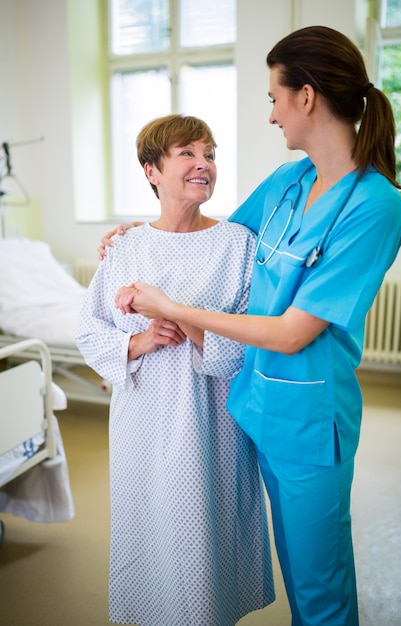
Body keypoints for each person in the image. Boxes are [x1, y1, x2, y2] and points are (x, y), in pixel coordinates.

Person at [111, 26, 401, 626]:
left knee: (318, 588)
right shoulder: (289, 183)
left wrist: (171, 309)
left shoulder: (374, 206)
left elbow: (294, 333)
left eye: (274, 98)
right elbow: (206, 234)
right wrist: (135, 235)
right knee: (288, 569)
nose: (271, 116)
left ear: (306, 97)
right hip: (251, 406)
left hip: (306, 425)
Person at [76, 114, 275, 626]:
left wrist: (181, 320)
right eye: (187, 153)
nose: (203, 165)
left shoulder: (238, 246)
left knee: (206, 543)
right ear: (152, 171)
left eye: (209, 154)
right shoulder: (124, 248)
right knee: (152, 534)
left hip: (215, 427)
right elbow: (90, 330)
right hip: (145, 422)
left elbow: (249, 345)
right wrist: (140, 341)